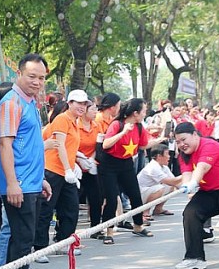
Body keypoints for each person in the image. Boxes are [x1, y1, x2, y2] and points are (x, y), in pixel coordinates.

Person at [0, 54, 52, 269]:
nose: (37, 82)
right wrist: (13, 184)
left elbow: (29, 146)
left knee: (20, 238)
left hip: (31, 182)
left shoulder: (31, 103)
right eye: (32, 76)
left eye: (41, 78)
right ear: (19, 73)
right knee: (23, 239)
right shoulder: (12, 103)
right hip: (18, 184)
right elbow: (5, 144)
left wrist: (40, 178)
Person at [173, 123, 219, 269]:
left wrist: (193, 183)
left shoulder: (209, 145)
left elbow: (202, 167)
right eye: (178, 142)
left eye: (183, 139)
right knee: (190, 212)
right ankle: (195, 258)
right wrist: (187, 185)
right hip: (209, 191)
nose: (181, 144)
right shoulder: (184, 156)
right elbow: (187, 175)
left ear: (195, 135)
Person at [35, 89, 89, 256]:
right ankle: (40, 248)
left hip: (67, 171)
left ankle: (64, 242)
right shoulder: (62, 119)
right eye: (78, 103)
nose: (82, 107)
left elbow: (70, 146)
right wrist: (67, 169)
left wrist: (78, 159)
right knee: (46, 210)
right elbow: (59, 145)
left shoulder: (75, 122)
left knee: (71, 208)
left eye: (84, 104)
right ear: (70, 103)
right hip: (53, 170)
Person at [99, 98, 161, 240]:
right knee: (112, 199)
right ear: (135, 113)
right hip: (109, 165)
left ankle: (138, 225)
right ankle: (108, 231)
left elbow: (142, 145)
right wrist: (123, 133)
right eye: (143, 111)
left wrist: (157, 141)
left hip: (126, 163)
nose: (145, 114)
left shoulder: (139, 127)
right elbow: (105, 144)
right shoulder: (117, 124)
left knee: (135, 195)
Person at [76, 100, 104, 240]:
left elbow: (98, 144)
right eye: (92, 109)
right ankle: (64, 232)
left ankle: (95, 228)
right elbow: (71, 145)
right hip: (76, 166)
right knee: (73, 200)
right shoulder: (76, 125)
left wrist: (91, 159)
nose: (95, 112)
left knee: (96, 198)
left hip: (91, 166)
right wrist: (80, 160)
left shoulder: (96, 125)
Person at [136, 144, 181, 218]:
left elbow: (175, 182)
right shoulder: (153, 167)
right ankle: (145, 211)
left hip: (148, 190)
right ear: (159, 156)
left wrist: (189, 189)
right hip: (140, 194)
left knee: (170, 186)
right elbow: (170, 181)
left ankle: (158, 209)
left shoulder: (164, 167)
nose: (169, 157)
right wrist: (186, 174)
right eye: (167, 154)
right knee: (160, 188)